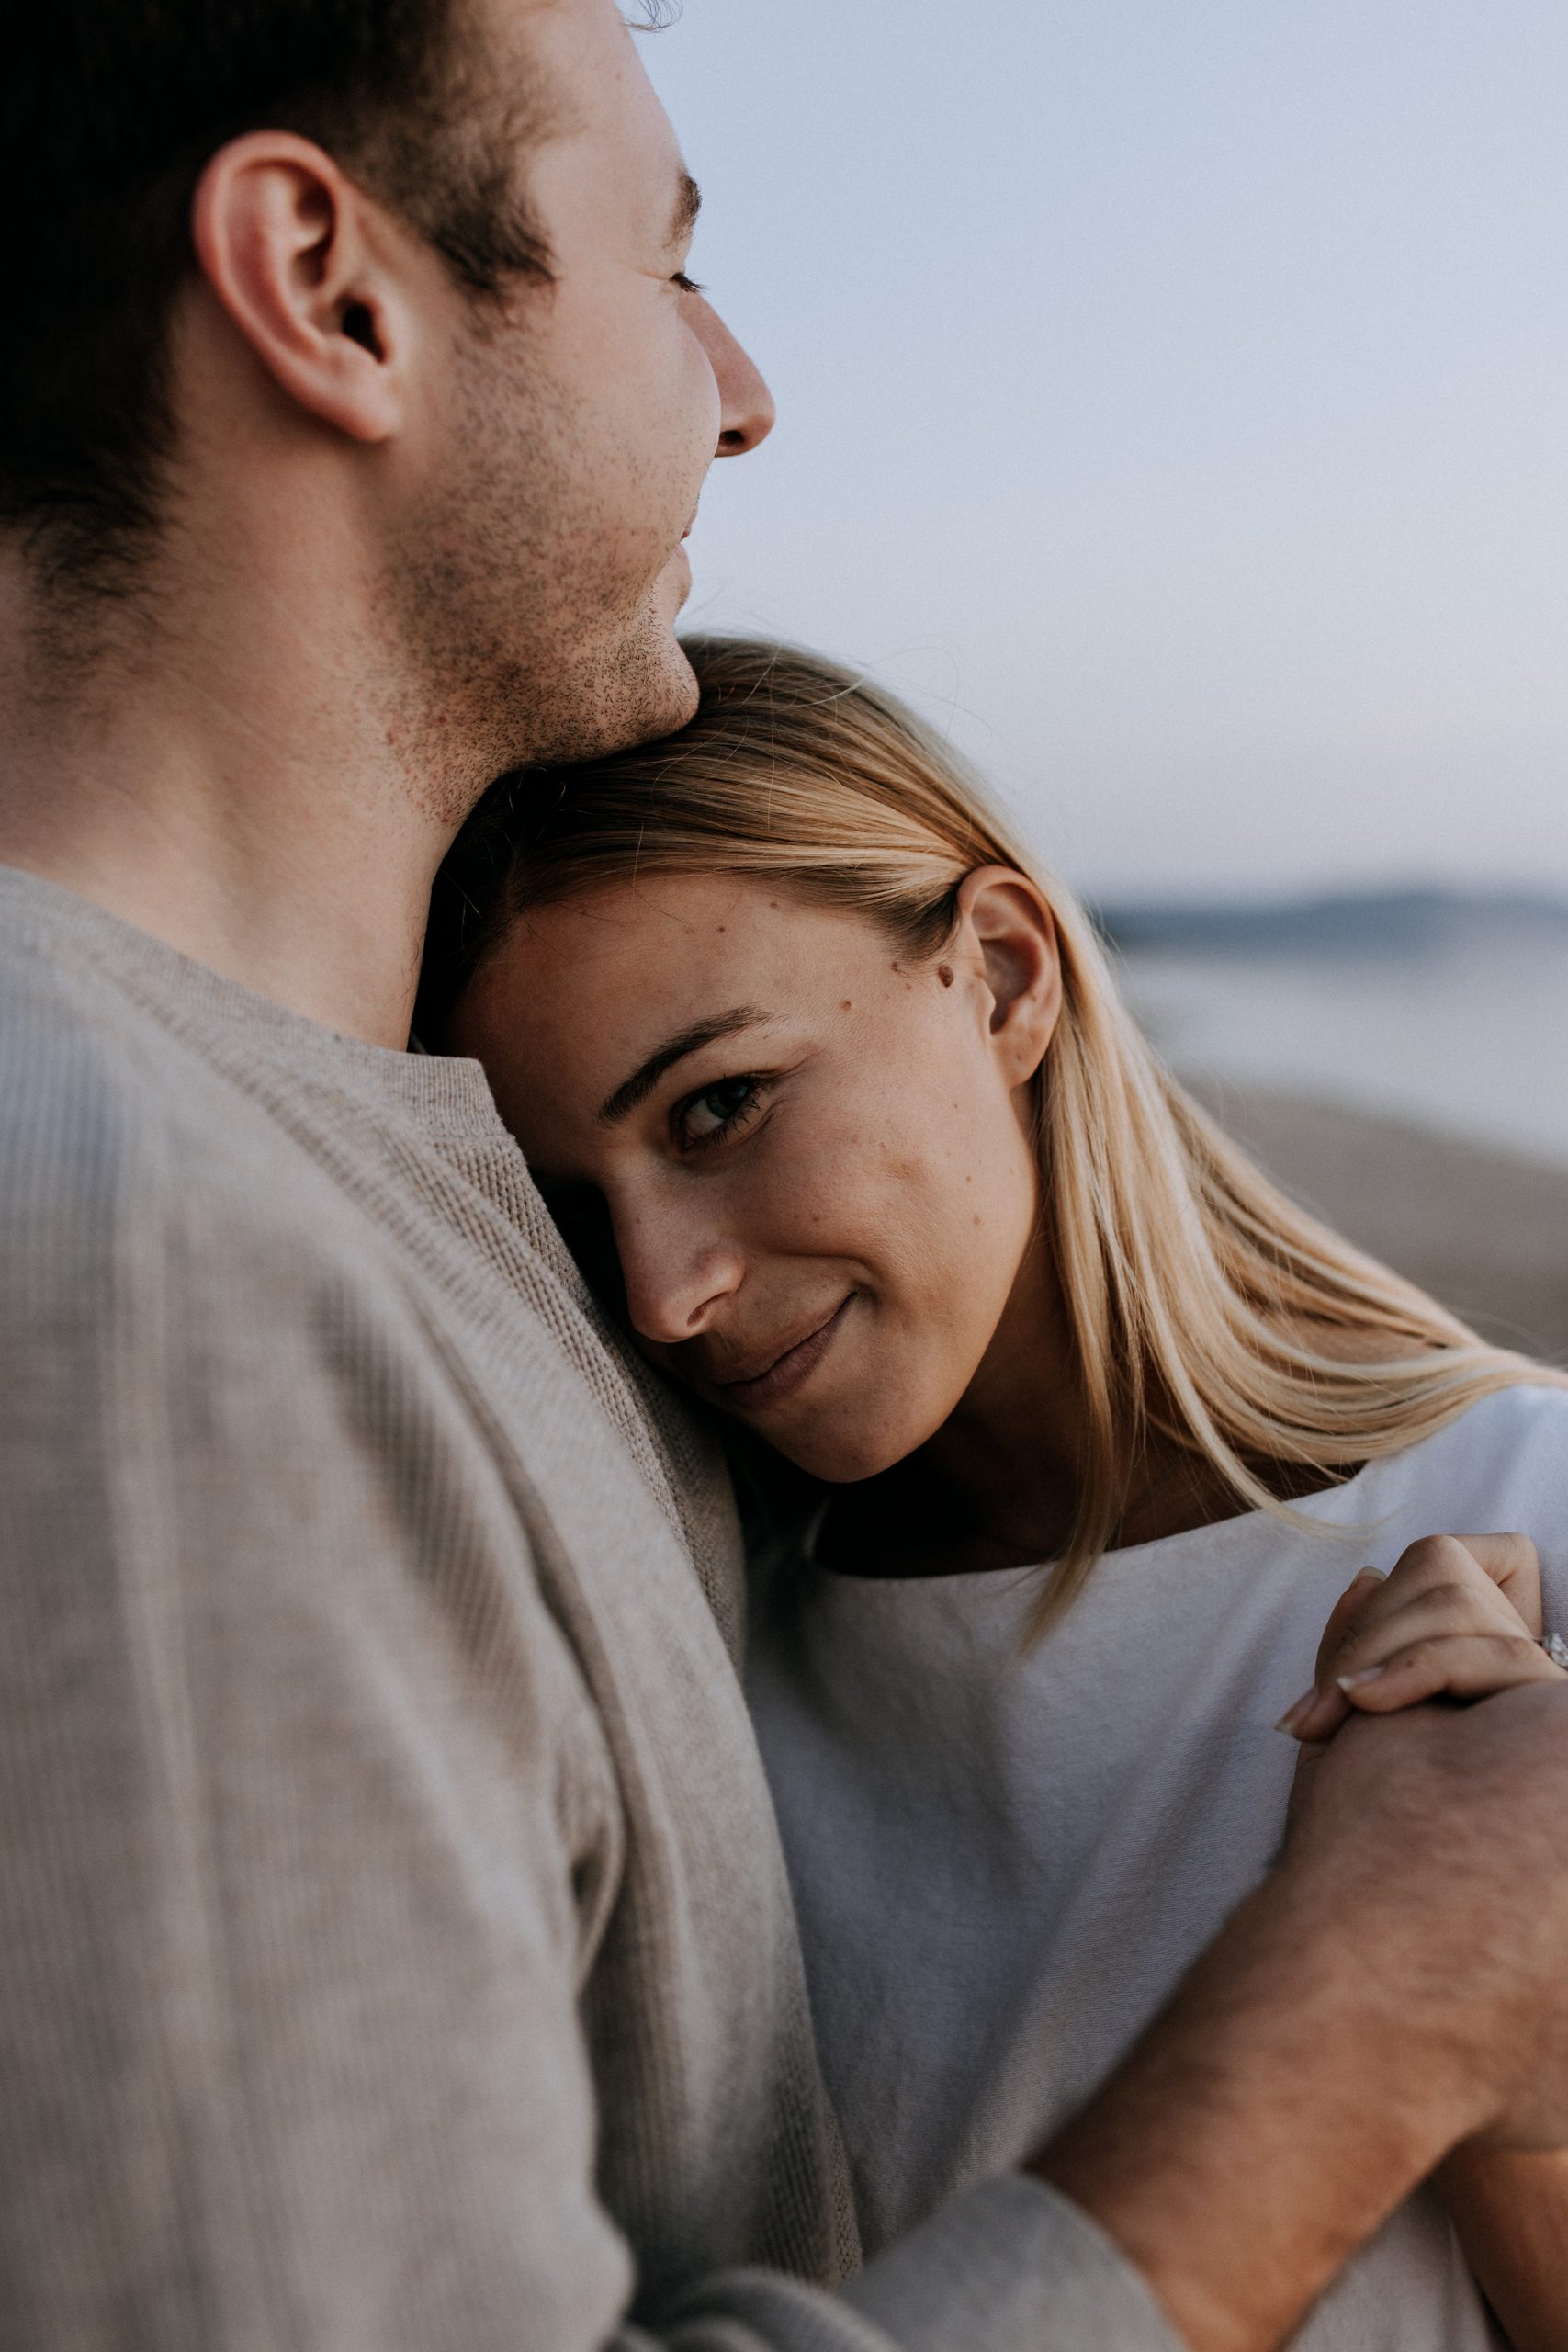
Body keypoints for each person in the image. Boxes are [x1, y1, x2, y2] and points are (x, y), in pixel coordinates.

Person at [4, 5, 1568, 2348]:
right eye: (662, 262)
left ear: (1007, 976)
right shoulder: (147, 1276)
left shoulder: (407, 1229)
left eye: (716, 1105)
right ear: (327, 289)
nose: (737, 389)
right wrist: (1376, 2000)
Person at [430, 637, 1568, 2351]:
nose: (661, 1292)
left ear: (1006, 976)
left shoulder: (1526, 1520)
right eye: (574, 1211)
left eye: (721, 1105)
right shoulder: (683, 1672)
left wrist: (1493, 2018)